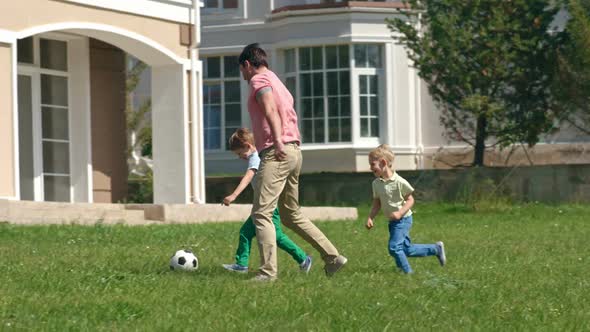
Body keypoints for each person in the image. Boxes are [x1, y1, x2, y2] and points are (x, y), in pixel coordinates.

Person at [238, 43, 347, 281]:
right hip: (294, 151)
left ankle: (267, 273)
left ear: (247, 64)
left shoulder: (258, 81)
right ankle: (333, 258)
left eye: (242, 71)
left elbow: (270, 110)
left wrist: (276, 140)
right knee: (290, 214)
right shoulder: (278, 81)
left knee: (262, 214)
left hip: (277, 152)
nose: (244, 76)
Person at [221, 128, 312, 274]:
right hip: (267, 203)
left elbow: (249, 176)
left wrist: (233, 195)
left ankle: (303, 258)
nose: (240, 157)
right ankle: (241, 264)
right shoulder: (258, 155)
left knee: (275, 235)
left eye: (239, 153)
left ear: (247, 145)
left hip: (268, 205)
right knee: (247, 232)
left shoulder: (255, 158)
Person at [366, 144, 446, 274]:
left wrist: (399, 213)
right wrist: (370, 217)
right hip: (393, 222)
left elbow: (410, 200)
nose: (370, 168)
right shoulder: (376, 184)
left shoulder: (399, 182)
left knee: (394, 248)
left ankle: (408, 273)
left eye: (372, 164)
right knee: (406, 250)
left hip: (403, 219)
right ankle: (436, 249)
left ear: (383, 163)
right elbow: (377, 203)